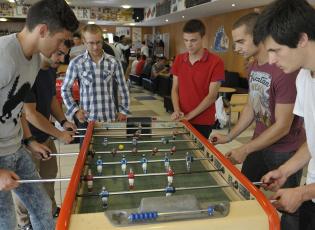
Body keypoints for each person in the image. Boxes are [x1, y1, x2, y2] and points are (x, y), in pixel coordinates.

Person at [210, 12, 305, 230]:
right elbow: (252, 106)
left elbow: (282, 126)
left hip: (285, 150)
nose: (237, 48)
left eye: (241, 41)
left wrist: (245, 149)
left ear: (259, 35)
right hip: (259, 143)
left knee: (288, 206)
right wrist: (230, 136)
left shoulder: (285, 71)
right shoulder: (253, 66)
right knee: (242, 191)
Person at [0, 0, 79, 229]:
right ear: (43, 30)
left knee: (43, 207)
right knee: (7, 222)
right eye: (59, 40)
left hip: (16, 148)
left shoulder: (35, 60)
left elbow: (18, 107)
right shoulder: (4, 58)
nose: (60, 50)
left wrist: (29, 140)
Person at [252, 1, 315, 229]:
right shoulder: (303, 78)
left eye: (276, 51)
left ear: (301, 39)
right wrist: (284, 170)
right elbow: (313, 142)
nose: (271, 60)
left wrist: (302, 193)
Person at [14, 40, 77, 229]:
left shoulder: (50, 69)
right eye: (58, 54)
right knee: (26, 185)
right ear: (46, 48)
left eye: (64, 54)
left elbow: (51, 99)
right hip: (26, 141)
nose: (62, 59)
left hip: (45, 136)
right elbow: (30, 114)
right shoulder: (26, 71)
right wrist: (59, 133)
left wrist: (63, 121)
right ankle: (25, 223)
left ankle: (49, 209)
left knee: (49, 176)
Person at [61, 24, 129, 130]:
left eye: (98, 42)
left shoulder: (113, 62)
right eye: (91, 43)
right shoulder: (76, 63)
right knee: (86, 147)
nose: (95, 47)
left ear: (102, 40)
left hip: (110, 118)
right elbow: (65, 89)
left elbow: (123, 87)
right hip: (87, 120)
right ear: (84, 41)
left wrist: (123, 110)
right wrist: (75, 110)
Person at [171, 19, 224, 138]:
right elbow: (175, 89)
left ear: (203, 38)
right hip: (181, 116)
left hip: (203, 121)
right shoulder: (179, 59)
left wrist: (189, 116)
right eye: (186, 40)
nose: (189, 44)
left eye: (193, 40)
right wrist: (177, 110)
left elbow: (212, 96)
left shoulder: (216, 62)